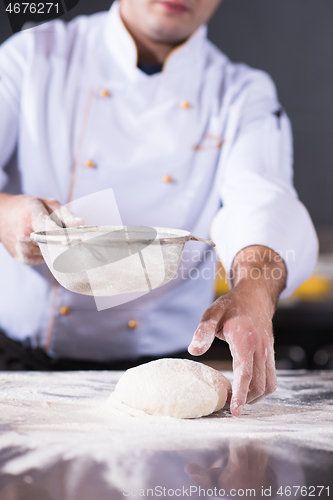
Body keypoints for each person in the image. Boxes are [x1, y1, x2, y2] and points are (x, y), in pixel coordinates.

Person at [0, 0, 318, 416]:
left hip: (169, 372)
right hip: (19, 368)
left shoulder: (240, 92)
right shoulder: (34, 55)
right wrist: (5, 212)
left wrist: (254, 292)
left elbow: (262, 199)